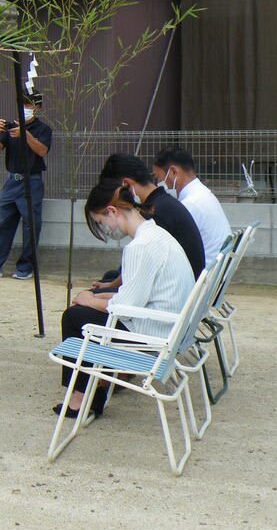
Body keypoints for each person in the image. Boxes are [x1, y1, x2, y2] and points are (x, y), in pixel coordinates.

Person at [55, 178, 195, 418]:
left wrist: (89, 300)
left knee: (75, 316)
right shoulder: (155, 233)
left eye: (101, 222)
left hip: (153, 335)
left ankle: (81, 399)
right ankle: (96, 387)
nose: (106, 229)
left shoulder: (139, 247)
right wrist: (96, 296)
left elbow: (126, 307)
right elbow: (136, 291)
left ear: (112, 211)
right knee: (89, 305)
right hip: (169, 327)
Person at [95, 153, 205, 288]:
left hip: (175, 288)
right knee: (110, 276)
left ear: (127, 185)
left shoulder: (154, 212)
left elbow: (141, 267)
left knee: (90, 299)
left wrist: (110, 287)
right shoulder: (163, 203)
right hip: (186, 284)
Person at [0, 91, 53, 280]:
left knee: (31, 225)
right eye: (23, 105)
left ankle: (25, 267)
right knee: (2, 222)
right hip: (11, 180)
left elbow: (42, 151)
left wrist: (26, 135)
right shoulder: (11, 128)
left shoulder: (43, 129)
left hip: (31, 180)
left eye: (29, 105)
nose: (25, 109)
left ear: (38, 108)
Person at [152, 147, 231, 264]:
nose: (158, 183)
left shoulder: (190, 204)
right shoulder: (203, 194)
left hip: (203, 274)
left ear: (173, 172)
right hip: (215, 271)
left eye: (158, 177)